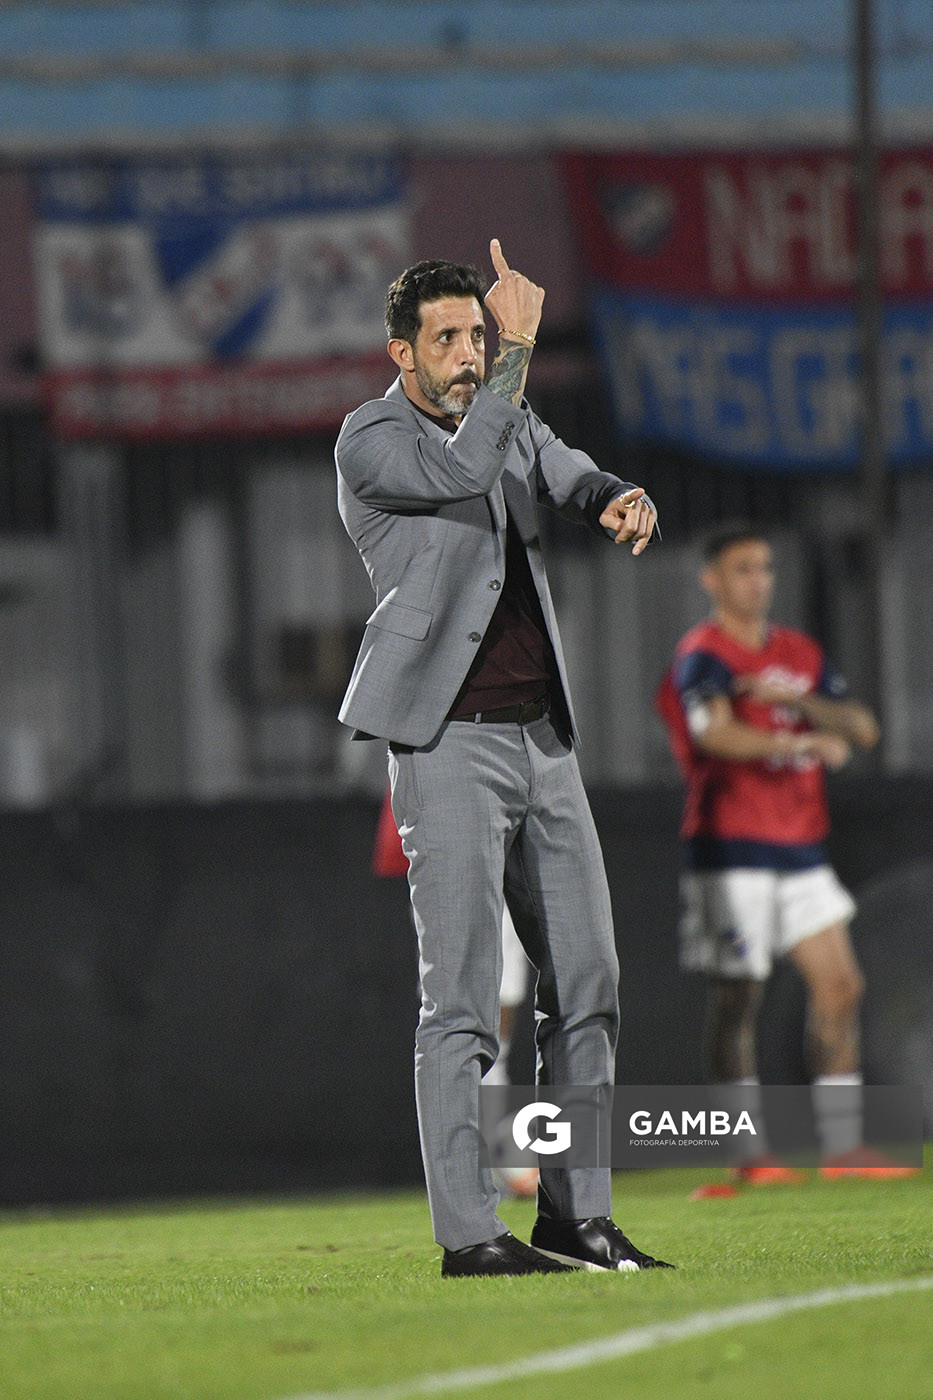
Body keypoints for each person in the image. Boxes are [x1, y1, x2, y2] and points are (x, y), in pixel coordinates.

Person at [336, 239, 673, 1276]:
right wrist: (524, 345)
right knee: (464, 998)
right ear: (403, 353)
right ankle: (471, 1231)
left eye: (478, 333)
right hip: (446, 748)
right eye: (449, 336)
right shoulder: (371, 439)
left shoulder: (508, 411)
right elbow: (469, 464)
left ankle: (575, 1213)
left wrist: (615, 493)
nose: (470, 351)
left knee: (589, 980)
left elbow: (557, 464)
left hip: (543, 738)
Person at [655, 522, 918, 1185]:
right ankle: (746, 1159)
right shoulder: (704, 653)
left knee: (840, 985)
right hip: (731, 849)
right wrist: (793, 745)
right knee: (737, 998)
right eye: (742, 569)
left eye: (764, 568)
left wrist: (796, 704)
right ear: (711, 579)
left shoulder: (797, 654)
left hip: (799, 848)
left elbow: (861, 727)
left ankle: (842, 1146)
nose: (757, 581)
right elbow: (711, 734)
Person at [373, 785, 539, 1195]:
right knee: (463, 1001)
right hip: (452, 822)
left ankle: (493, 1156)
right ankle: (493, 1158)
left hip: (503, 824)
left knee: (503, 1000)